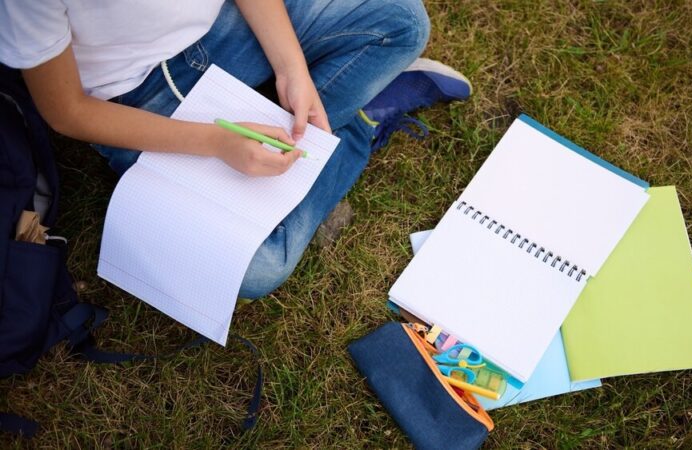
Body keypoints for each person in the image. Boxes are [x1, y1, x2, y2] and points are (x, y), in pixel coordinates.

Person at [0, 0, 472, 299]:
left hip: (225, 26)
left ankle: (301, 125)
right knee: (254, 269)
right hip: (138, 96)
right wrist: (214, 143)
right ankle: (356, 125)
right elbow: (67, 112)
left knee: (403, 21)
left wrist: (292, 70)